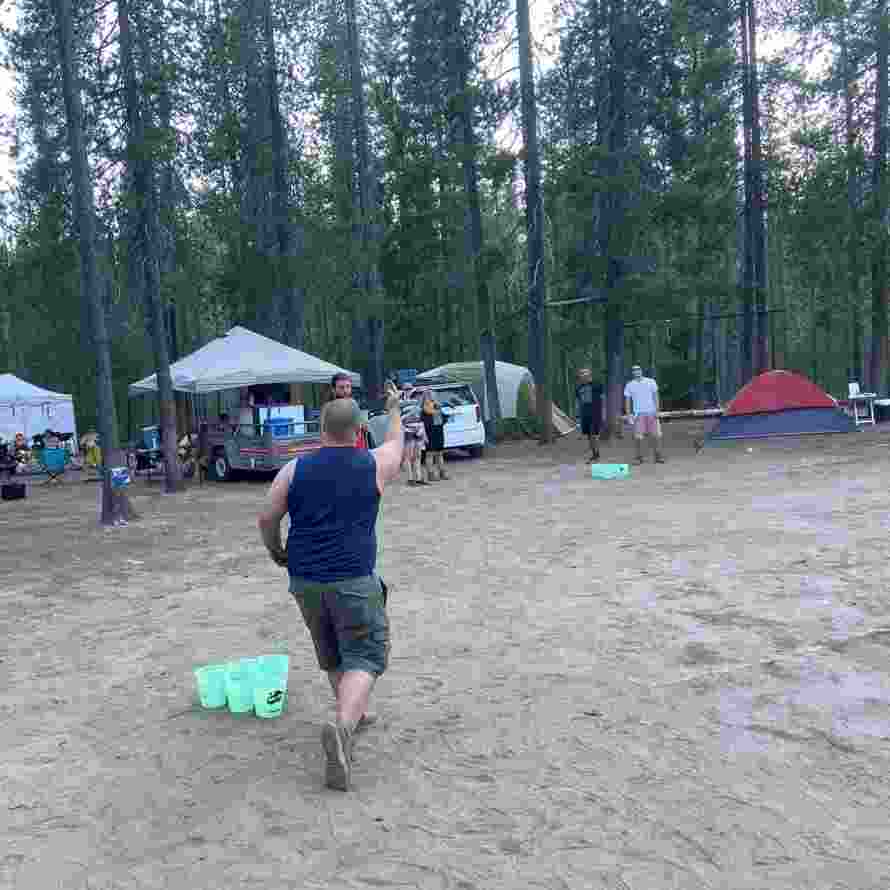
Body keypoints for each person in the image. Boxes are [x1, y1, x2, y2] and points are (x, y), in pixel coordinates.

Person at [256, 382, 403, 791]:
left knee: (334, 652)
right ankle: (342, 726)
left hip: (305, 581)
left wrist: (277, 551)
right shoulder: (371, 464)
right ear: (358, 431)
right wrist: (392, 409)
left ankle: (351, 712)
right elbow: (396, 442)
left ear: (320, 429)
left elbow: (267, 518)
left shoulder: (294, 469)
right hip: (353, 579)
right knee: (366, 656)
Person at [623, 364, 665, 464]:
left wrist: (657, 411)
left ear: (642, 371)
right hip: (638, 414)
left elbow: (656, 396)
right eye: (634, 370)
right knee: (638, 437)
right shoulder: (629, 385)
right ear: (632, 373)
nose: (636, 372)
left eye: (638, 370)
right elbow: (627, 400)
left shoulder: (651, 382)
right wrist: (629, 415)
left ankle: (658, 456)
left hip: (652, 412)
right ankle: (639, 457)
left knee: (656, 436)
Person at [330, 372, 367, 448]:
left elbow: (362, 427)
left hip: (359, 450)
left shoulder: (354, 404)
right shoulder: (330, 409)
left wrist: (363, 425)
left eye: (348, 386)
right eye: (341, 387)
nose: (345, 390)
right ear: (333, 390)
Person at [575, 368, 604, 462]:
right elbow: (578, 401)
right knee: (589, 436)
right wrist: (578, 416)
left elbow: (603, 398)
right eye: (582, 374)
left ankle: (597, 455)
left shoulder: (597, 384)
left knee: (594, 434)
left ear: (590, 374)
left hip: (595, 413)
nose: (583, 375)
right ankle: (594, 454)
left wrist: (603, 413)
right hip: (585, 414)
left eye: (585, 373)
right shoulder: (579, 387)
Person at [420, 389, 449, 481]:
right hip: (430, 433)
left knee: (440, 453)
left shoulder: (437, 407)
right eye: (429, 395)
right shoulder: (424, 410)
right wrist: (424, 436)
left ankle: (442, 472)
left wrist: (443, 415)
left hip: (438, 432)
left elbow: (443, 419)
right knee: (430, 454)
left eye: (432, 395)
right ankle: (431, 474)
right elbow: (423, 423)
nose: (431, 397)